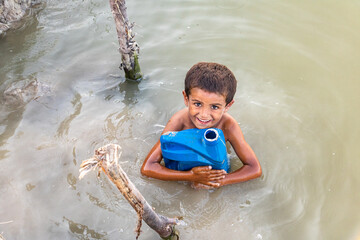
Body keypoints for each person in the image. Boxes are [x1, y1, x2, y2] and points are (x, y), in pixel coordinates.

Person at [141, 62, 262, 189]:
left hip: (213, 165)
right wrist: (190, 176)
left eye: (215, 107)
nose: (204, 115)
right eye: (197, 104)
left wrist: (219, 181)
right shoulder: (179, 121)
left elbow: (254, 169)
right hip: (186, 172)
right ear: (186, 98)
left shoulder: (228, 125)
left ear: (227, 106)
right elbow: (147, 168)